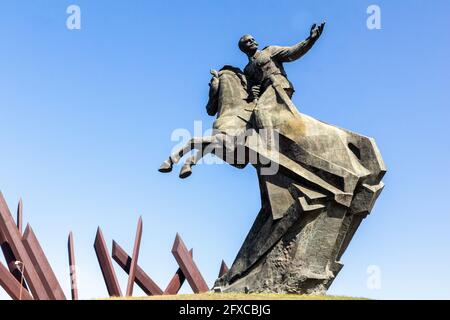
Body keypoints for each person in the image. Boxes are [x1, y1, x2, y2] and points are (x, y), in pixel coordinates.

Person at [238, 22, 325, 101]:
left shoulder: (269, 51)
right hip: (264, 95)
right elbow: (251, 88)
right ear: (243, 49)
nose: (252, 41)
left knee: (261, 110)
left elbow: (292, 52)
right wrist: (253, 92)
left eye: (253, 39)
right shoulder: (247, 70)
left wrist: (310, 40)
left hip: (279, 86)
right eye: (247, 41)